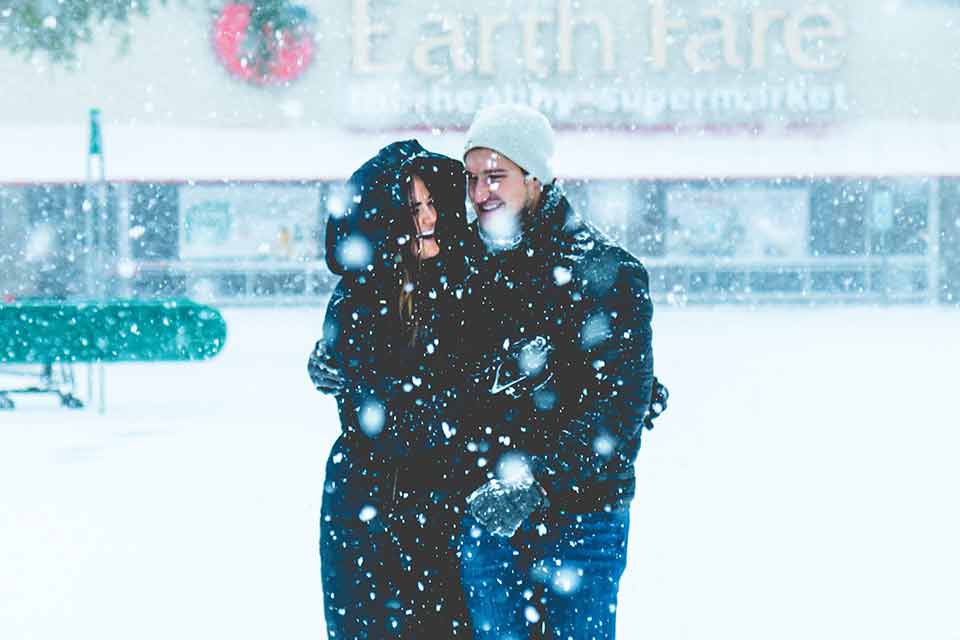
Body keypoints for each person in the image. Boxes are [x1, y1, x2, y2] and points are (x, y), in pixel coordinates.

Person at [453, 103, 658, 639]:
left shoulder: (606, 271)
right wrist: (348, 351)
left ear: (535, 177)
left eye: (496, 176)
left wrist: (536, 484)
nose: (481, 194)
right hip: (489, 519)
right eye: (472, 179)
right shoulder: (467, 268)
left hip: (584, 519)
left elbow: (619, 405)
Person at [308, 139, 474, 638]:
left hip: (446, 502)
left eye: (432, 205)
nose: (427, 221)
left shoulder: (471, 279)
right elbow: (375, 401)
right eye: (411, 211)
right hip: (371, 503)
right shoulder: (361, 299)